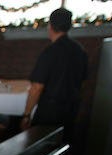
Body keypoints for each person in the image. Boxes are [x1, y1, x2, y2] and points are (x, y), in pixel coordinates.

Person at [20, 7, 88, 143]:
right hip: (71, 109)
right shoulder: (79, 50)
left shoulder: (50, 52)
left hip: (50, 113)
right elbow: (83, 82)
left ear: (50, 26)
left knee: (42, 148)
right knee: (64, 146)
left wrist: (27, 115)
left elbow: (36, 87)